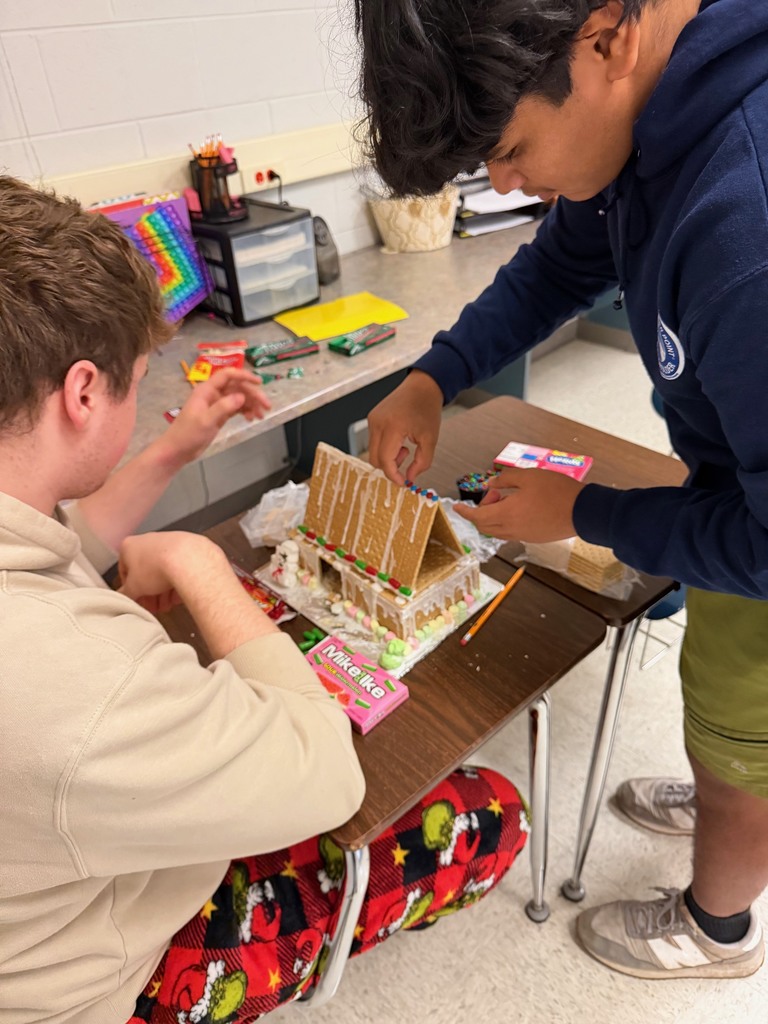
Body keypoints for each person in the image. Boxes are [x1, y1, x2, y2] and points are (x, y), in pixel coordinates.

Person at [0, 176, 529, 1024]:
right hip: (104, 981)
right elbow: (325, 776)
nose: (142, 409)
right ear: (83, 391)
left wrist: (175, 450)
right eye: (139, 384)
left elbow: (64, 535)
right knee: (493, 812)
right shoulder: (73, 682)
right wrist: (201, 562)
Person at [356, 0, 768, 980]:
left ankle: (720, 923)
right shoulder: (643, 121)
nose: (505, 183)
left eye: (509, 149)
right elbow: (559, 266)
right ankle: (725, 781)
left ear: (608, 37)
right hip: (733, 483)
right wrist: (433, 377)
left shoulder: (748, 226)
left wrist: (584, 513)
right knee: (720, 690)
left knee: (746, 723)